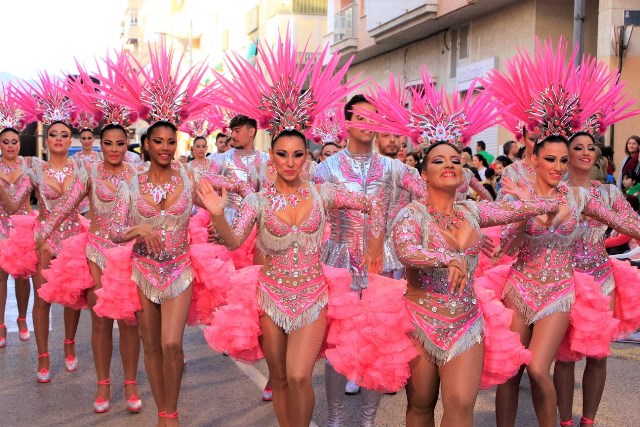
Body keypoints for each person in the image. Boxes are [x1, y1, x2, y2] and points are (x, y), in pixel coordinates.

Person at [203, 32, 380, 427]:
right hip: (269, 296)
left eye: (298, 154)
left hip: (315, 294)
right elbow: (233, 240)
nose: (290, 161)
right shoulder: (257, 200)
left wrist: (375, 242)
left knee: (301, 374)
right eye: (282, 154)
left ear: (306, 157)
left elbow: (372, 202)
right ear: (273, 156)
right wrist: (217, 213)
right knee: (280, 377)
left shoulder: (325, 194)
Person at [358, 67, 551, 427]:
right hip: (419, 320)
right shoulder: (411, 214)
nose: (449, 165)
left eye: (455, 160)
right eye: (438, 160)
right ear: (424, 174)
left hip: (466, 321)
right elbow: (406, 251)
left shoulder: (473, 211)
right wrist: (447, 256)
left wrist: (542, 199)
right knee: (421, 405)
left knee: (461, 405)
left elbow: (515, 208)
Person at [484, 37, 640, 427]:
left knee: (546, 367)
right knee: (509, 370)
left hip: (565, 286)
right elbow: (505, 242)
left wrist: (610, 220)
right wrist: (519, 213)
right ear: (534, 159)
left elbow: (627, 224)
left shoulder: (587, 195)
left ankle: (572, 420)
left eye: (563, 158)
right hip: (520, 284)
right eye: (550, 158)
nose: (559, 164)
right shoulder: (518, 192)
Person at [314, 93, 428, 426]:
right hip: (340, 262)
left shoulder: (395, 168)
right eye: (360, 118)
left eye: (372, 119)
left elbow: (431, 193)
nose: (367, 125)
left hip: (386, 266)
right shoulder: (326, 168)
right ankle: (335, 419)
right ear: (347, 122)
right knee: (340, 343)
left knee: (380, 342)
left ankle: (367, 420)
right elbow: (318, 208)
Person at [1, 74, 87, 383]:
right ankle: (43, 357)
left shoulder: (83, 170)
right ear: (46, 140)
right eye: (54, 135)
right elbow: (14, 203)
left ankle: (69, 346)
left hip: (75, 242)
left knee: (73, 298)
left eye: (65, 134)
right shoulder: (35, 170)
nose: (60, 139)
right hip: (44, 242)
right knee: (43, 298)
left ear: (70, 139)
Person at [0, 87, 35, 349]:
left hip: (24, 229)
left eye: (14, 141)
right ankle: (1, 324)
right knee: (1, 277)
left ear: (20, 143)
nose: (11, 145)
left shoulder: (31, 165)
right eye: (5, 142)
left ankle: (22, 319)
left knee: (22, 278)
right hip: (1, 228)